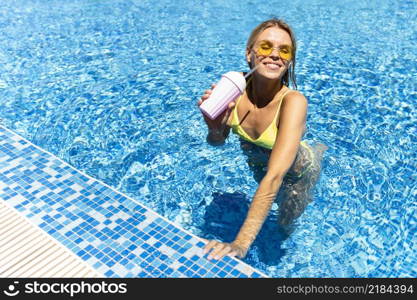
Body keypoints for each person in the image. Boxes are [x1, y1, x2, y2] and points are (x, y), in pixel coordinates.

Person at [197, 18, 328, 260]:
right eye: (266, 47)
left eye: (284, 50)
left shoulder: (293, 102)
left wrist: (240, 243)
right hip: (259, 165)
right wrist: (214, 127)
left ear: (289, 62)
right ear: (249, 54)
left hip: (296, 176)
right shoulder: (234, 86)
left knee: (283, 228)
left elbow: (276, 175)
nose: (275, 55)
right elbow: (216, 142)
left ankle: (317, 152)